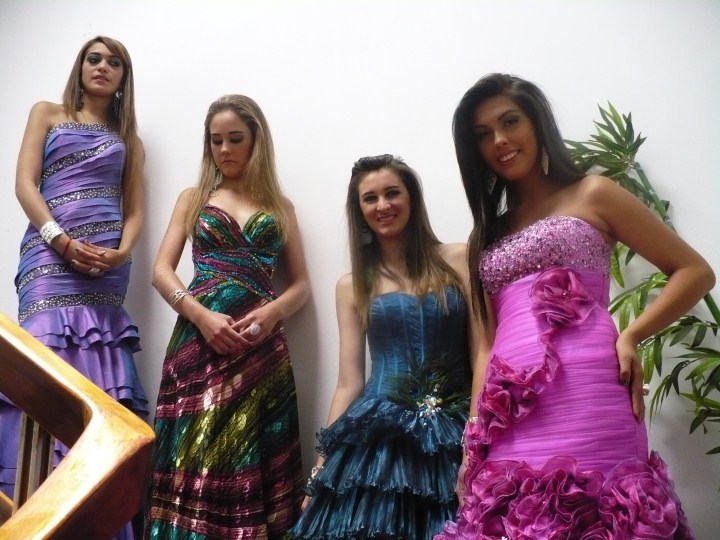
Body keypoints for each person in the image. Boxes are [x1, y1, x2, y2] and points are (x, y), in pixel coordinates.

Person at [435, 73, 715, 540]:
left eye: (510, 121)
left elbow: (694, 271)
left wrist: (632, 334)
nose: (499, 140)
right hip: (512, 414)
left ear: (537, 123)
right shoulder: (485, 234)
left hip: (591, 392)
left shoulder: (593, 192)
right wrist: (474, 431)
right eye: (483, 134)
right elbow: (485, 345)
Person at [1, 35, 148, 539]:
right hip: (48, 258)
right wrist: (59, 241)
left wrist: (122, 253)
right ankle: (33, 510)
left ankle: (94, 513)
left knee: (99, 380)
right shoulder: (47, 112)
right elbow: (24, 184)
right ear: (80, 66)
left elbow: (135, 210)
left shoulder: (129, 140)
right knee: (42, 369)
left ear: (124, 78)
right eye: (94, 58)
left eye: (114, 62)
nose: (102, 67)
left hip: (105, 272)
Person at [145, 94, 310, 539]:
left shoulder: (281, 207)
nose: (224, 149)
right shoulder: (194, 198)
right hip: (197, 347)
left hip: (261, 351)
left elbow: (301, 286)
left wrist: (272, 313)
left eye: (235, 138)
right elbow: (160, 271)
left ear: (257, 140)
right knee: (196, 457)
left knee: (250, 457)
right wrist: (201, 317)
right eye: (215, 140)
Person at [291, 154, 479, 540]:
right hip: (378, 439)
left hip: (457, 429)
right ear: (359, 211)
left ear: (412, 198)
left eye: (392, 193)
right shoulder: (351, 286)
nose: (383, 205)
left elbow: (482, 354)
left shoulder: (459, 258)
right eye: (370, 198)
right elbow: (349, 382)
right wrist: (321, 466)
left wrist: (477, 435)